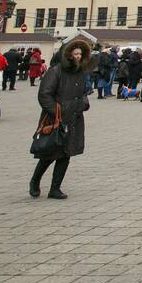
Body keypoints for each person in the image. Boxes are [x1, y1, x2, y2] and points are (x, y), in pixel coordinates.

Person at [30, 39, 90, 199]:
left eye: (80, 54)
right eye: (75, 53)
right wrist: (57, 112)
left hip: (74, 118)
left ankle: (55, 188)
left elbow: (84, 92)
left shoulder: (80, 72)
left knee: (66, 153)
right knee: (49, 154)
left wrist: (84, 103)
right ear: (68, 54)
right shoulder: (55, 71)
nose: (78, 57)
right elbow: (44, 94)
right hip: (56, 118)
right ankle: (35, 181)